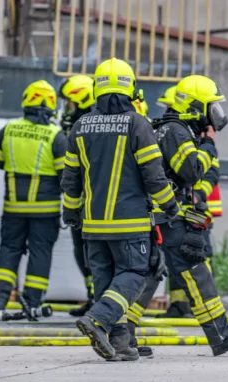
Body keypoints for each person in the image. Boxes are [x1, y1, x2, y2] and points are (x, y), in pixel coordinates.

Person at [122, 74, 228, 357]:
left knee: (150, 274)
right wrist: (208, 145)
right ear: (196, 107)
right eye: (211, 107)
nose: (215, 115)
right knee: (195, 270)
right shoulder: (176, 131)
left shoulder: (168, 128)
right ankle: (221, 334)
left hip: (157, 215)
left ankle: (121, 333)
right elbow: (191, 170)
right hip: (169, 217)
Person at [61, 57, 180, 361]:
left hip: (93, 225)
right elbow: (153, 174)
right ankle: (97, 319)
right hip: (129, 223)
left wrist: (71, 212)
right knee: (134, 274)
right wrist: (170, 204)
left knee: (106, 280)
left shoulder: (80, 125)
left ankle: (121, 343)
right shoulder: (137, 124)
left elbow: (71, 179)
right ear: (130, 87)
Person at [0, 80, 68, 317]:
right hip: (45, 212)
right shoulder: (56, 136)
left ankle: (0, 299)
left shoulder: (7, 130)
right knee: (40, 253)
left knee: (8, 250)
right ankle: (32, 303)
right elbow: (66, 176)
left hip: (13, 209)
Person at [155, 83, 222, 320]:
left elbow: (209, 173)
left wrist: (198, 195)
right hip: (178, 211)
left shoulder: (193, 138)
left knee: (196, 259)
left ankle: (201, 309)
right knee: (178, 262)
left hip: (196, 210)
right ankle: (183, 306)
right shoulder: (179, 133)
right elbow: (190, 171)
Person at [58, 74, 97, 317]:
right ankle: (94, 296)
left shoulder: (91, 125)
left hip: (92, 201)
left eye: (69, 104)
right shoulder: (77, 125)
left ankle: (101, 299)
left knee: (92, 250)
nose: (66, 109)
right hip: (79, 201)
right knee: (81, 250)